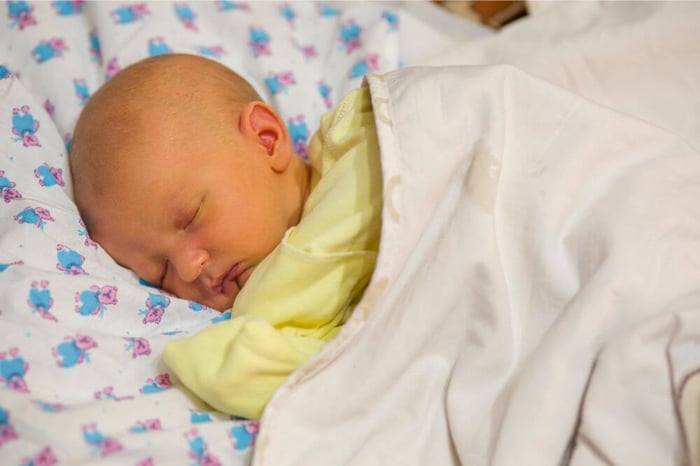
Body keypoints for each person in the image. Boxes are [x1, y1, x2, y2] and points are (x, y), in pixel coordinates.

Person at [70, 53, 383, 419]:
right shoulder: (283, 323)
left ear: (266, 140)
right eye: (161, 272)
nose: (188, 269)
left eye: (191, 216)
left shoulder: (361, 138)